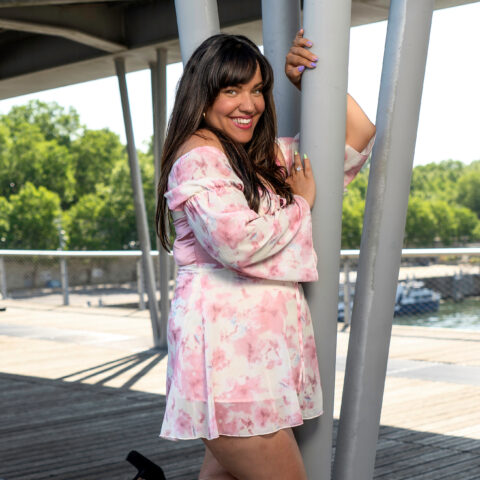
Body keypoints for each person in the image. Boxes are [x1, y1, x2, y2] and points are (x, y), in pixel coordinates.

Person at [156, 30, 375, 480]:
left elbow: (358, 134)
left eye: (257, 90)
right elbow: (237, 242)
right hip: (230, 368)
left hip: (257, 365)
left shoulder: (261, 161)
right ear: (202, 94)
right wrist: (301, 203)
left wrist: (308, 81)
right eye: (232, 90)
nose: (249, 104)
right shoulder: (199, 158)